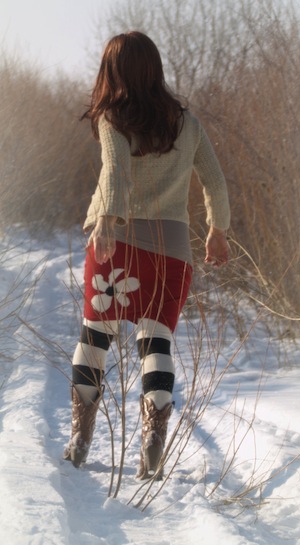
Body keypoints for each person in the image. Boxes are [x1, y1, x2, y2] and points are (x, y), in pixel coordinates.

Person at [63, 31, 230, 479]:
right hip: (172, 250)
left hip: (114, 240)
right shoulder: (186, 123)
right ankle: (153, 439)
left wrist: (107, 220)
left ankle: (80, 437)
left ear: (113, 72)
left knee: (95, 337)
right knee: (155, 342)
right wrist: (218, 230)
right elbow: (214, 180)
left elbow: (116, 172)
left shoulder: (113, 118)